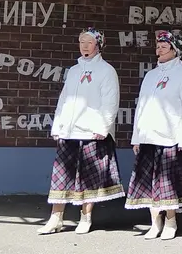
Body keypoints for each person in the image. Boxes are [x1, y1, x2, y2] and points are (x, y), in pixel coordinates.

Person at [40, 28, 124, 235]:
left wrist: (102, 127)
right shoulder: (74, 70)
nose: (84, 46)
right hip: (69, 131)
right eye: (81, 42)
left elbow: (110, 102)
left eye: (88, 42)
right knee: (61, 176)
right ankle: (55, 217)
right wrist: (58, 125)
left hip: (91, 132)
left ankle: (85, 217)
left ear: (98, 45)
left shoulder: (106, 70)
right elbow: (64, 99)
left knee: (88, 178)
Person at [126, 30, 182, 240]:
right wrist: (137, 137)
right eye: (158, 45)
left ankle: (170, 220)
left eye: (164, 46)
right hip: (149, 137)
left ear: (175, 49)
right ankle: (154, 222)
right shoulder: (151, 75)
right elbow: (141, 106)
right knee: (150, 182)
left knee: (168, 183)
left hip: (171, 138)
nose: (159, 49)